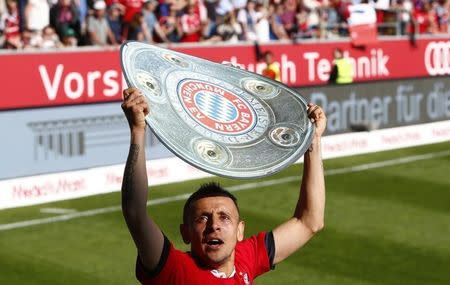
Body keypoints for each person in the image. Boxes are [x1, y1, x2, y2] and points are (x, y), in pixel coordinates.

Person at [120, 87, 326, 284]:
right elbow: (134, 212)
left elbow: (309, 222)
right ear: (185, 233)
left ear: (240, 230)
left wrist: (313, 142)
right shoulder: (174, 270)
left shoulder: (246, 258)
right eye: (202, 218)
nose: (214, 225)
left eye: (224, 217)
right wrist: (138, 130)